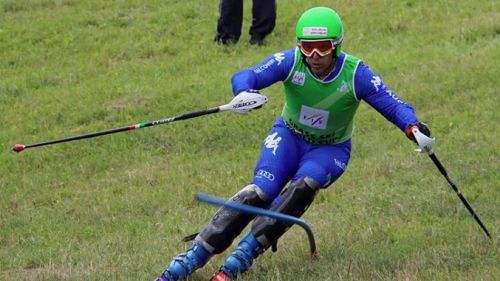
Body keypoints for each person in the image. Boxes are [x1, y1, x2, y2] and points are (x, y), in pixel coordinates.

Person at [155, 6, 432, 281]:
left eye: (322, 48)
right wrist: (243, 93)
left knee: (301, 188)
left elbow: (393, 104)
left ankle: (239, 260)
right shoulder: (291, 61)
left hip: (330, 149)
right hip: (288, 136)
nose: (314, 56)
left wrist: (412, 127)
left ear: (336, 46)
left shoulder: (355, 73)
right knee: (259, 193)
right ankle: (188, 260)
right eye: (306, 47)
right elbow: (246, 75)